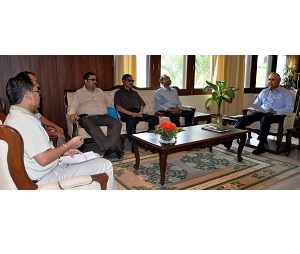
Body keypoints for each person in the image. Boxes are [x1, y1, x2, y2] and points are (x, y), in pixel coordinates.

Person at [4, 76, 117, 189]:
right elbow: (43, 159)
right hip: (46, 177)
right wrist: (69, 144)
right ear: (28, 95)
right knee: (105, 165)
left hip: (44, 170)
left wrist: (62, 152)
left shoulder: (13, 116)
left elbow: (36, 152)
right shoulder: (27, 122)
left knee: (95, 157)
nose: (40, 95)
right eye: (37, 91)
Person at [226, 72, 294, 155]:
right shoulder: (264, 91)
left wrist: (276, 111)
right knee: (244, 118)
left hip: (277, 115)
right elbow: (256, 103)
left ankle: (261, 145)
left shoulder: (286, 93)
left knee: (265, 119)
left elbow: (290, 108)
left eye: (273, 80)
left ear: (279, 81)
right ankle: (229, 140)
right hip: (262, 112)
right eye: (269, 79)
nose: (270, 81)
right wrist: (254, 108)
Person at [68, 72, 123, 159]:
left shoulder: (100, 91)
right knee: (93, 127)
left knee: (117, 124)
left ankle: (110, 149)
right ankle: (112, 148)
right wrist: (71, 114)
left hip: (102, 116)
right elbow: (73, 106)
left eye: (96, 80)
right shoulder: (79, 93)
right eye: (92, 80)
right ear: (85, 81)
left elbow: (107, 104)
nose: (95, 82)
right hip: (87, 118)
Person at [16, 71, 66, 146]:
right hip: (39, 142)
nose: (38, 85)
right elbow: (34, 130)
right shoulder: (24, 114)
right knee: (60, 138)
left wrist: (55, 127)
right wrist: (53, 132)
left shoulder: (29, 106)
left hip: (41, 132)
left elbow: (39, 117)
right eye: (35, 82)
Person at [114, 74, 159, 145]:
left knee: (155, 118)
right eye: (129, 80)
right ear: (124, 81)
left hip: (137, 113)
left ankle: (150, 141)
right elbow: (118, 107)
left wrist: (141, 112)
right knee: (132, 119)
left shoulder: (135, 93)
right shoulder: (119, 93)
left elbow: (141, 104)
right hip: (126, 114)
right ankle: (134, 144)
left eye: (132, 81)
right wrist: (131, 113)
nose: (131, 82)